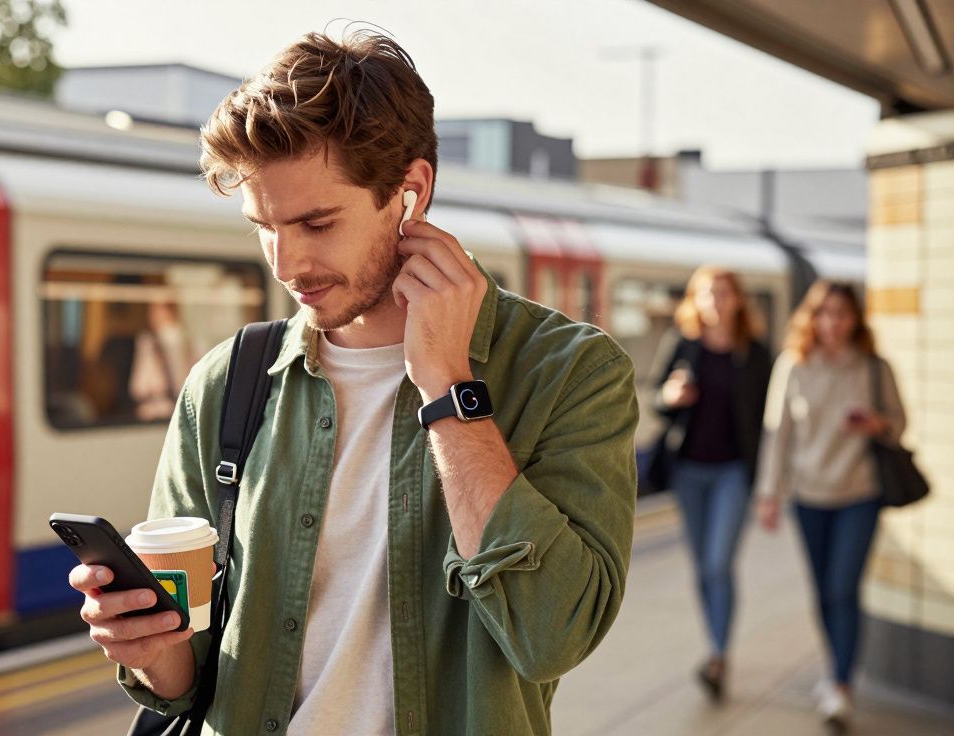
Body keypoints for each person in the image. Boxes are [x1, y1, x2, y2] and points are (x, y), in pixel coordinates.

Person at [67, 31, 639, 734]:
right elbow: (188, 680)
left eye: (317, 221)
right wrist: (150, 650)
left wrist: (448, 387)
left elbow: (553, 636)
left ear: (411, 192)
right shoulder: (227, 384)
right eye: (264, 226)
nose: (286, 262)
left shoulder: (570, 372)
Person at [755, 280, 906, 728]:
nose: (833, 323)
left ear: (855, 319)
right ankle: (833, 670)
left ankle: (841, 684)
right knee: (822, 591)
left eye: (842, 314)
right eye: (825, 314)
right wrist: (769, 493)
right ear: (812, 318)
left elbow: (899, 425)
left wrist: (878, 424)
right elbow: (776, 433)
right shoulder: (794, 365)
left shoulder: (874, 368)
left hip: (860, 494)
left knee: (843, 587)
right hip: (809, 495)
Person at [649, 267, 771, 700]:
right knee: (703, 567)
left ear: (738, 301)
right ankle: (715, 647)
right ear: (696, 301)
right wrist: (671, 396)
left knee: (719, 563)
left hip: (733, 472)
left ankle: (718, 656)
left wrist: (771, 486)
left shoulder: (755, 354)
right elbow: (657, 399)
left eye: (723, 293)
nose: (716, 301)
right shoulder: (684, 345)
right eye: (707, 293)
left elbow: (768, 421)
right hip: (689, 473)